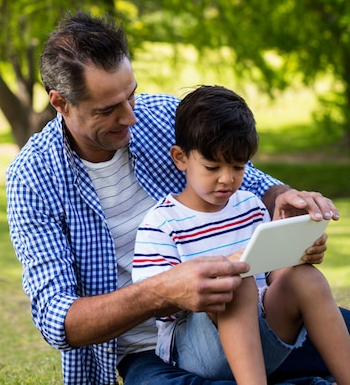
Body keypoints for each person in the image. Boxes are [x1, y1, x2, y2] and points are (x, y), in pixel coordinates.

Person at [6, 10, 346, 385]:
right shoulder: (33, 177)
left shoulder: (166, 115)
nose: (131, 117)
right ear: (61, 103)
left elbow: (249, 180)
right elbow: (58, 320)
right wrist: (162, 292)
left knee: (316, 310)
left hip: (260, 322)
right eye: (107, 109)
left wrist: (284, 201)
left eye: (130, 95)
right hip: (151, 352)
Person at [132, 85, 350, 385]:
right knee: (235, 283)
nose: (227, 179)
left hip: (260, 338)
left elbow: (273, 276)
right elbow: (156, 303)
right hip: (195, 351)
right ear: (181, 158)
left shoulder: (249, 205)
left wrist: (299, 252)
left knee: (305, 277)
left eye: (238, 166)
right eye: (212, 167)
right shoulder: (162, 222)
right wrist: (224, 271)